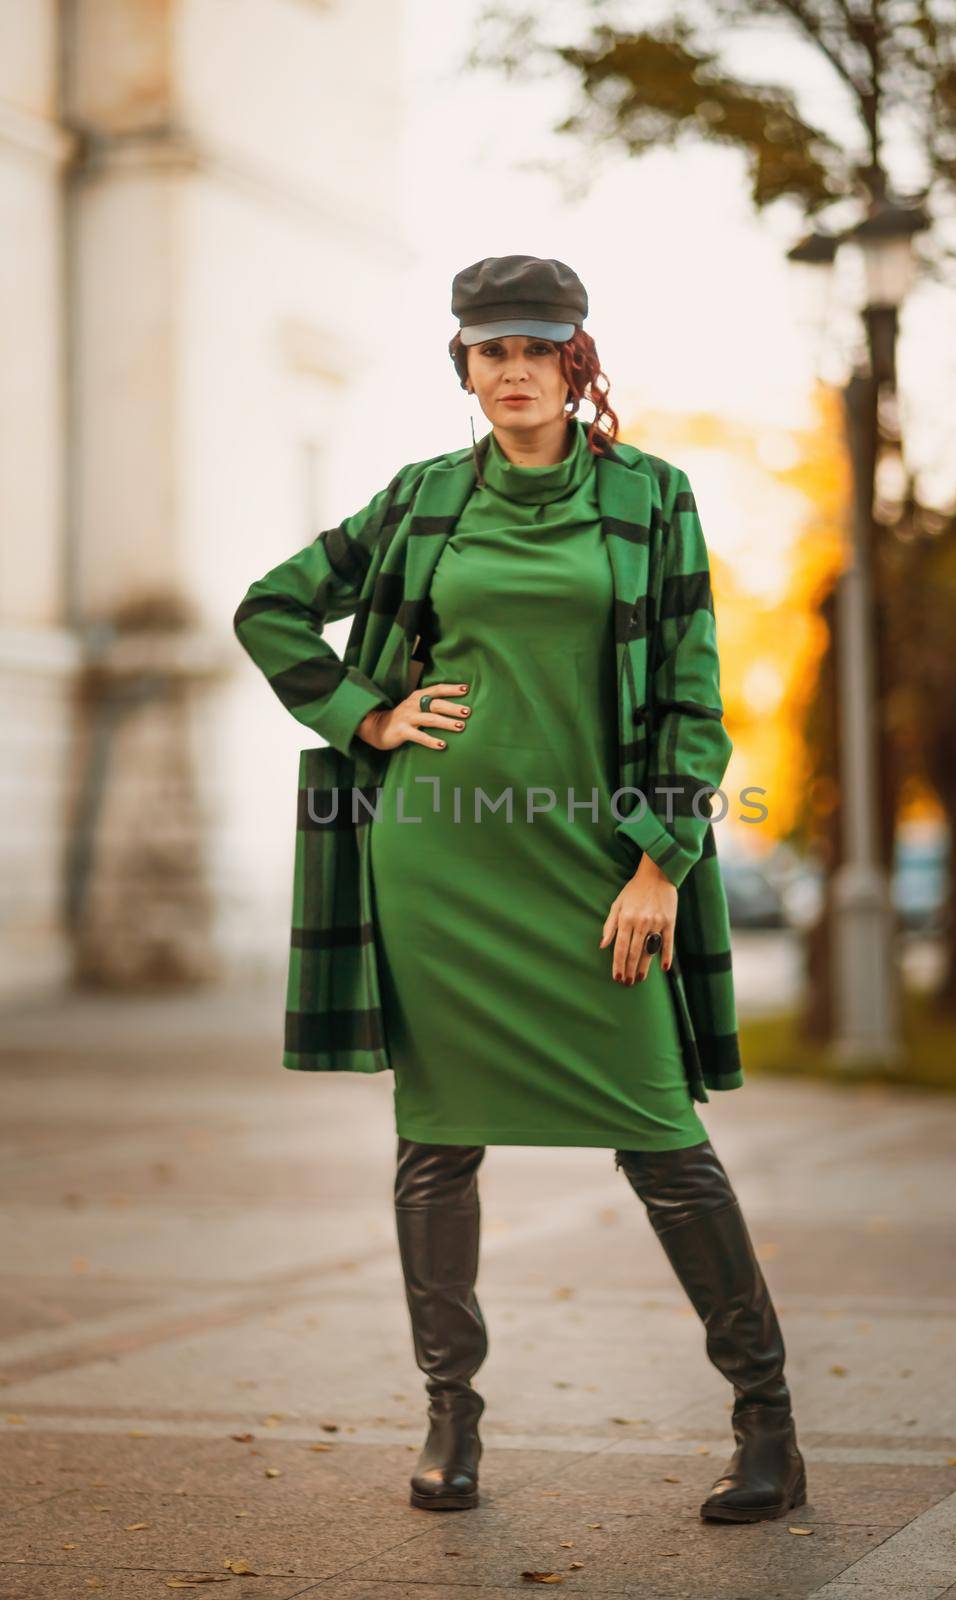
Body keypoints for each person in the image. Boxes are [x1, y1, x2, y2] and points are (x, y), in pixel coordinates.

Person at [233, 254, 805, 1524]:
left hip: (596, 865)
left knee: (664, 1140)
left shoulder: (650, 497)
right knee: (437, 1146)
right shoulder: (424, 498)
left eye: (531, 349)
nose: (508, 372)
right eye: (485, 351)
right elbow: (272, 608)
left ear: (573, 359)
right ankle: (452, 1418)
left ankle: (765, 1423)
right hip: (440, 858)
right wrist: (366, 718)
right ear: (466, 365)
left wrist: (661, 861)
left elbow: (690, 693)